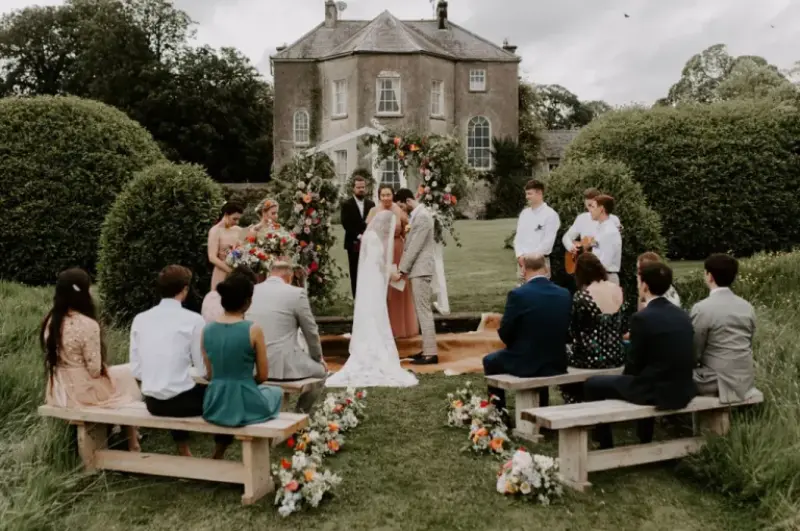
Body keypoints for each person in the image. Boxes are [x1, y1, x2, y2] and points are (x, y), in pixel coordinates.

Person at [584, 262, 696, 449]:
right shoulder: (682, 315)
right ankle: (644, 437)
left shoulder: (642, 318)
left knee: (593, 384)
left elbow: (634, 363)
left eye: (638, 281)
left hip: (656, 391)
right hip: (683, 388)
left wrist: (626, 381)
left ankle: (604, 443)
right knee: (644, 376)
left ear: (644, 286)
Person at [130, 265, 229, 457]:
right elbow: (203, 370)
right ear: (184, 290)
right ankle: (218, 453)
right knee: (225, 397)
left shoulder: (140, 319)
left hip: (153, 403)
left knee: (177, 384)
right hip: (183, 403)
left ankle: (184, 449)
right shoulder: (193, 320)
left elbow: (136, 370)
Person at [41, 268, 140, 452]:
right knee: (126, 377)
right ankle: (132, 440)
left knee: (120, 377)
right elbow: (94, 369)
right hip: (80, 391)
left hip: (57, 390)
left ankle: (128, 437)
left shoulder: (50, 321)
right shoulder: (87, 324)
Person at [327, 210, 419, 387]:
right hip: (375, 278)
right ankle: (374, 351)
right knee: (376, 313)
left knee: (370, 313)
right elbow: (378, 262)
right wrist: (391, 274)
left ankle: (366, 345)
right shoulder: (375, 239)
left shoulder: (368, 235)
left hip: (370, 278)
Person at [202, 273, 283, 459]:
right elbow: (263, 375)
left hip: (214, 402)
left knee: (236, 402)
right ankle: (263, 455)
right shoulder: (253, 329)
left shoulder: (206, 330)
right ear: (247, 302)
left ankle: (220, 450)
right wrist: (246, 382)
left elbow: (210, 373)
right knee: (275, 393)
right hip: (244, 400)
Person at [483, 254, 571, 416]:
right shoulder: (564, 293)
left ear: (524, 269)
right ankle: (542, 407)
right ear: (545, 268)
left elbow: (505, 333)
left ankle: (499, 414)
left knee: (490, 360)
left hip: (526, 362)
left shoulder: (518, 295)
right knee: (537, 350)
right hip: (557, 361)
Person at [246, 260, 328, 412]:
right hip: (282, 367)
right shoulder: (296, 294)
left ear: (270, 274)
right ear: (289, 278)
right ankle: (300, 414)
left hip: (253, 366)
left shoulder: (251, 290)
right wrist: (318, 359)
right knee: (321, 373)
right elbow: (311, 331)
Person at [560, 253, 626, 404]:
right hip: (616, 355)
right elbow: (623, 326)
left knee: (561, 353)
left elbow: (573, 330)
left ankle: (575, 399)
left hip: (589, 358)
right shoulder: (618, 290)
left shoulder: (582, 296)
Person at [691, 254, 757, 403]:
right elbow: (749, 342)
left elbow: (694, 349)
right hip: (745, 379)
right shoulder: (747, 307)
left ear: (710, 276)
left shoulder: (702, 308)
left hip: (718, 381)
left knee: (672, 376)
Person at [391, 188, 439, 365]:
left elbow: (415, 248)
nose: (402, 210)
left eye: (402, 206)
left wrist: (401, 270)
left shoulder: (422, 217)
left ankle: (431, 353)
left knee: (424, 311)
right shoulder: (417, 216)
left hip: (421, 270)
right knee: (421, 310)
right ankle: (427, 349)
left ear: (408, 201)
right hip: (417, 270)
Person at [364, 184, 418, 339]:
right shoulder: (374, 211)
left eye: (389, 195)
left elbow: (408, 230)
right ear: (379, 196)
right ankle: (381, 326)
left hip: (396, 251)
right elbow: (369, 234)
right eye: (383, 195)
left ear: (392, 196)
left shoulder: (399, 211)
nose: (386, 198)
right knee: (381, 288)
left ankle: (399, 327)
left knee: (397, 288)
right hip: (380, 252)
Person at [513, 179, 560, 283]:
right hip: (522, 263)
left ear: (539, 193)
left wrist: (530, 260)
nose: (527, 197)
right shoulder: (524, 214)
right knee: (522, 294)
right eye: (526, 194)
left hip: (540, 263)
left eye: (529, 194)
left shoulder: (550, 215)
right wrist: (520, 256)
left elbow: (547, 243)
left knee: (540, 296)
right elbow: (518, 238)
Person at [340, 172, 375, 297]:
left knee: (368, 270)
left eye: (363, 187)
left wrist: (368, 236)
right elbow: (346, 224)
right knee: (355, 271)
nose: (361, 190)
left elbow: (373, 222)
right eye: (358, 187)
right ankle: (357, 298)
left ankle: (368, 296)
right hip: (353, 243)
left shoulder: (371, 204)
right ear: (353, 188)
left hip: (369, 243)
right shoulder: (347, 204)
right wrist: (359, 236)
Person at [561, 188, 622, 253]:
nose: (590, 209)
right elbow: (566, 237)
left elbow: (610, 244)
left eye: (592, 206)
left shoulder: (613, 219)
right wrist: (571, 247)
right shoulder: (582, 218)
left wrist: (590, 244)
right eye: (588, 206)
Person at [207, 202, 243, 291]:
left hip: (237, 272)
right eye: (234, 219)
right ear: (226, 215)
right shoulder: (215, 231)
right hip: (222, 271)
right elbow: (212, 257)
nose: (236, 222)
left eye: (238, 219)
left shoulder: (238, 230)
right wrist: (230, 271)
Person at [586, 194, 622, 285]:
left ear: (601, 209)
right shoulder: (600, 228)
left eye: (593, 207)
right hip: (599, 277)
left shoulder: (609, 232)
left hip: (606, 278)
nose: (590, 210)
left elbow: (604, 263)